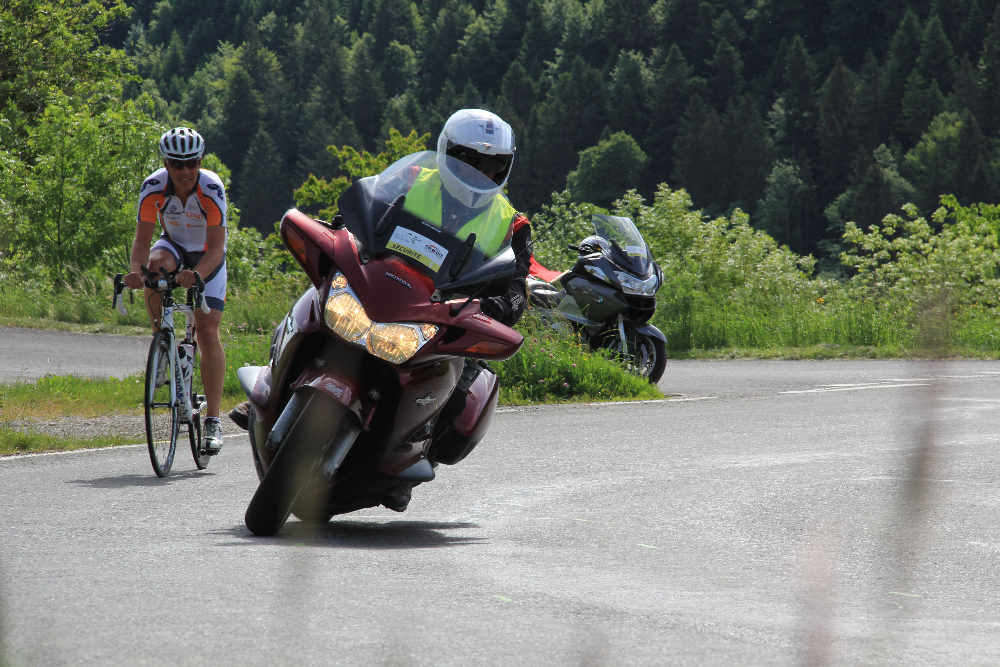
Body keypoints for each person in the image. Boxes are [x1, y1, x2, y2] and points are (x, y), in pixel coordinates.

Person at [229, 109, 532, 510]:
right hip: (377, 285)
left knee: (459, 393)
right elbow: (362, 209)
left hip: (439, 313)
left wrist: (499, 304)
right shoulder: (411, 178)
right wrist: (339, 228)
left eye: (493, 166)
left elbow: (518, 286)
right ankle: (274, 378)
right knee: (316, 301)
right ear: (446, 152)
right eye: (469, 160)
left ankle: (414, 459)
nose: (480, 173)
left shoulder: (512, 225)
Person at [124, 127, 229, 451]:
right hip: (172, 246)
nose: (185, 171)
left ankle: (213, 420)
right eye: (177, 164)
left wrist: (196, 274)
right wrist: (136, 272)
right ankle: (162, 341)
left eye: (191, 163)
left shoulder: (211, 188)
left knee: (207, 332)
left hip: (207, 255)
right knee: (153, 267)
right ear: (166, 164)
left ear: (200, 162)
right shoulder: (153, 187)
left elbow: (217, 248)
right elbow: (142, 240)